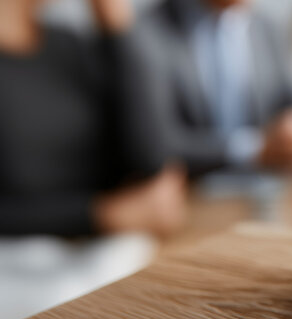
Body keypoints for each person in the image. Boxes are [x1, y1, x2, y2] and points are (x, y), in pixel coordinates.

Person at [0, 0, 186, 237]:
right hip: (27, 264)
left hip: (107, 255)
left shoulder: (68, 45)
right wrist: (102, 215)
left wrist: (116, 26)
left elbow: (151, 158)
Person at [131, 0, 292, 176]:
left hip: (268, 194)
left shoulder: (266, 28)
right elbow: (154, 144)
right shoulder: (148, 31)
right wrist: (255, 149)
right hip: (188, 199)